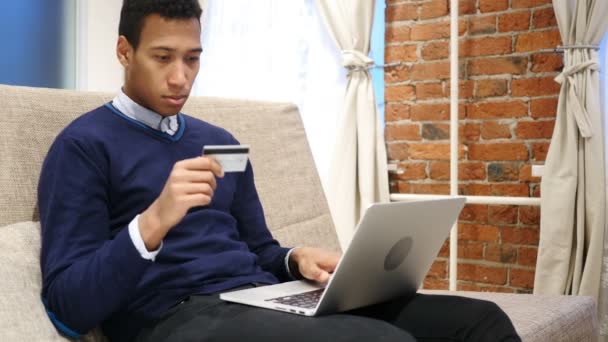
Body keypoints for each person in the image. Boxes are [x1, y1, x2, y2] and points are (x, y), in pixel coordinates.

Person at [37, 1, 521, 341]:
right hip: (174, 318)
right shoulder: (82, 147)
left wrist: (294, 261)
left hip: (262, 298)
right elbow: (67, 308)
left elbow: (260, 247)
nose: (180, 76)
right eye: (162, 57)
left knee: (479, 322)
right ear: (125, 52)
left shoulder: (221, 141)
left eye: (192, 58)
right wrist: (152, 223)